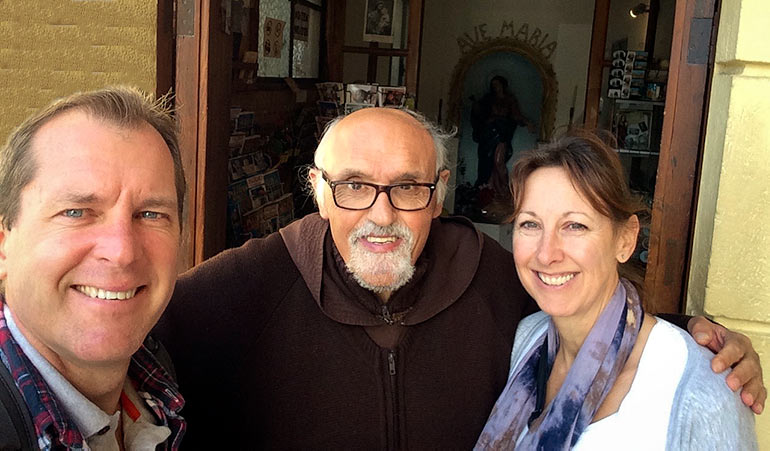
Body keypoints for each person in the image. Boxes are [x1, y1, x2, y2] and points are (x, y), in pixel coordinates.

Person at [154, 108, 764, 448]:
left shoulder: (492, 275)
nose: (382, 214)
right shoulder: (249, 285)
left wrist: (691, 333)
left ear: (440, 193)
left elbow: (586, 305)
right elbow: (132, 332)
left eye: (408, 188)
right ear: (317, 191)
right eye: (354, 186)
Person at [476, 131, 757, 449]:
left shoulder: (701, 393)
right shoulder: (526, 339)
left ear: (625, 240)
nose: (546, 253)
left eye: (575, 226)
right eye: (530, 224)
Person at [0, 87, 186, 449]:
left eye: (151, 214)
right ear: (4, 247)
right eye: (75, 212)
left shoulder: (157, 373)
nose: (121, 251)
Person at [471, 75, 536, 196]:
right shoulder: (489, 99)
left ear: (503, 85)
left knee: (498, 161)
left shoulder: (509, 99)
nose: (495, 87)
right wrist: (476, 107)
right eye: (493, 85)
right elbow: (480, 113)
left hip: (502, 133)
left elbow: (516, 115)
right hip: (489, 134)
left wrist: (527, 123)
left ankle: (504, 189)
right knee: (487, 162)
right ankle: (488, 189)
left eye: (497, 84)